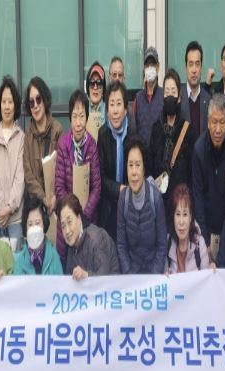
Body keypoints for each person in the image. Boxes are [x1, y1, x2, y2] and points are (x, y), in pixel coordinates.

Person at [192, 93, 225, 262]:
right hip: (204, 225)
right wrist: (204, 240)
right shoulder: (198, 150)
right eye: (214, 122)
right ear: (208, 122)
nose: (218, 129)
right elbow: (197, 199)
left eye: (222, 122)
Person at [55, 90, 101, 260]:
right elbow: (59, 186)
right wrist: (72, 214)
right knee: (67, 263)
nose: (78, 122)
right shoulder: (63, 144)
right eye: (75, 116)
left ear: (87, 117)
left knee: (86, 263)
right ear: (70, 118)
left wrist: (84, 215)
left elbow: (96, 186)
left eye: (82, 116)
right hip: (67, 219)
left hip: (88, 219)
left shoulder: (92, 145)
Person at [117, 136, 167, 274]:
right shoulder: (123, 199)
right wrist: (129, 275)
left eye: (138, 165)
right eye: (130, 165)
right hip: (132, 272)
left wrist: (153, 278)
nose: (134, 172)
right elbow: (121, 245)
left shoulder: (155, 198)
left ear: (144, 168)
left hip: (153, 271)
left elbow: (162, 246)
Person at [0, 76, 25, 250]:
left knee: (16, 261)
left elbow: (20, 177)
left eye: (10, 102)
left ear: (15, 105)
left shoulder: (21, 137)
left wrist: (10, 207)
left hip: (15, 217)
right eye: (3, 102)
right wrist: (1, 207)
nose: (7, 106)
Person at [97, 80, 136, 242]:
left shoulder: (134, 134)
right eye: (111, 104)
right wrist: (118, 189)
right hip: (108, 209)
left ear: (125, 109)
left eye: (119, 104)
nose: (115, 110)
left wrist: (128, 191)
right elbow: (100, 176)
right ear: (107, 110)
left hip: (131, 206)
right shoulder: (102, 135)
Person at [149, 68, 195, 202]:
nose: (170, 96)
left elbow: (192, 172)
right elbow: (150, 167)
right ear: (163, 96)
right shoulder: (156, 129)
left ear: (179, 97)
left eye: (173, 92)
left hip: (179, 203)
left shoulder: (187, 131)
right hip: (158, 201)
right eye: (167, 92)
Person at [23, 76, 64, 216]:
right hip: (36, 207)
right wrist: (43, 197)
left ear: (45, 99)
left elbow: (63, 169)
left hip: (56, 204)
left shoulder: (57, 129)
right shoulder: (27, 135)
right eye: (31, 102)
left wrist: (55, 197)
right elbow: (28, 175)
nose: (35, 105)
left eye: (38, 99)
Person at [59, 193, 120, 279]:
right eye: (63, 226)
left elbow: (104, 277)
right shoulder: (70, 246)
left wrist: (86, 275)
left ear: (79, 218)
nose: (67, 231)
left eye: (69, 222)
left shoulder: (97, 238)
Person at [165, 183, 209, 274]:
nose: (181, 222)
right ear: (173, 217)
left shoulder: (200, 245)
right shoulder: (166, 244)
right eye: (178, 214)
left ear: (190, 217)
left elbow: (206, 280)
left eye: (185, 214)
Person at [14, 197, 63, 275]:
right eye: (30, 224)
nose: (34, 229)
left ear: (44, 224)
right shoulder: (20, 259)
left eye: (37, 223)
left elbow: (60, 281)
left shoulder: (53, 256)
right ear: (25, 227)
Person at [180, 40, 211, 137]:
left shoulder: (209, 100)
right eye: (190, 64)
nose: (194, 70)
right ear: (186, 67)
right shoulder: (178, 98)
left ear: (201, 67)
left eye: (197, 64)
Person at [134, 46, 163, 145]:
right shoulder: (138, 98)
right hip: (142, 152)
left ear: (158, 66)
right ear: (144, 67)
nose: (150, 67)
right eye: (147, 64)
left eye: (153, 64)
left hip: (159, 152)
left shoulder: (164, 95)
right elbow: (135, 129)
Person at [85, 61, 106, 141]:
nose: (95, 87)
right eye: (92, 83)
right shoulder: (83, 109)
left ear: (103, 88)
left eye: (99, 83)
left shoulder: (109, 110)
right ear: (88, 86)